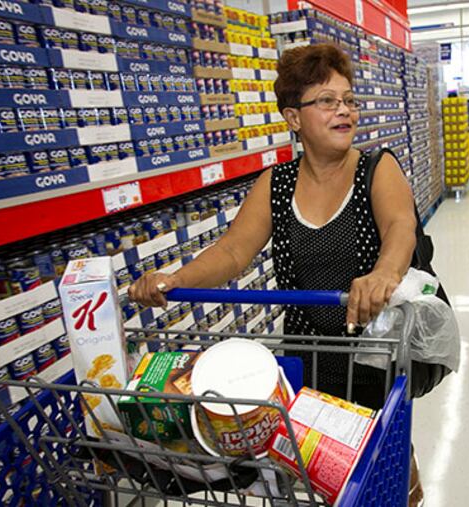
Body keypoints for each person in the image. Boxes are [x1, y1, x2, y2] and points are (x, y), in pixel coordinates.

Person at [128, 43, 426, 505]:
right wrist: (174, 278)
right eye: (326, 101)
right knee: (314, 469)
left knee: (382, 457)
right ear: (293, 117)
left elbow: (400, 226)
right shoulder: (276, 183)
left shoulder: (376, 168)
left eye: (348, 99)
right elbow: (231, 252)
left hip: (371, 353)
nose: (343, 111)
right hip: (307, 354)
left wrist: (383, 274)